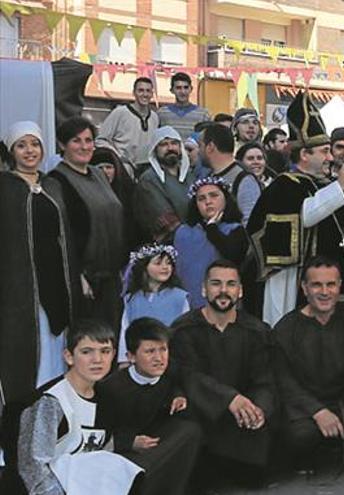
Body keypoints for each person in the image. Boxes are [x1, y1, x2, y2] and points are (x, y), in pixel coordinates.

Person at [0, 122, 78, 494]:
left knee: (52, 371)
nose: (30, 151)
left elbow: (67, 242)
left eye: (35, 144)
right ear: (12, 151)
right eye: (22, 146)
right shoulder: (4, 190)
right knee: (22, 373)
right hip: (19, 297)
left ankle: (49, 446)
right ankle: (16, 455)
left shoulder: (54, 187)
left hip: (55, 296)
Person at [248, 91, 344, 326]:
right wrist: (340, 186)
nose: (330, 157)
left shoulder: (318, 184)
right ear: (304, 154)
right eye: (324, 151)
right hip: (291, 284)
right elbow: (307, 215)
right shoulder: (284, 185)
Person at [273, 256, 344, 474]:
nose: (324, 292)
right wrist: (317, 411)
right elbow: (284, 382)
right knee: (301, 437)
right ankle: (312, 455)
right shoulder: (286, 329)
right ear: (304, 288)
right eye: (317, 285)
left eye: (330, 284)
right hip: (307, 407)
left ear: (339, 286)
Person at [171, 260, 275, 488]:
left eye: (231, 284)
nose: (223, 291)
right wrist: (229, 399)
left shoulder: (256, 331)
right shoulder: (184, 329)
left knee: (254, 477)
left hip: (242, 417)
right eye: (216, 284)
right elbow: (188, 376)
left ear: (240, 291)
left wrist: (258, 409)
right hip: (204, 413)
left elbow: (265, 379)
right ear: (204, 289)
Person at [17, 320, 143, 495]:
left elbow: (100, 454)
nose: (97, 360)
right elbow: (32, 465)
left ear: (114, 354)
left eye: (105, 351)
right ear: (69, 356)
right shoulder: (51, 401)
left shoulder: (107, 399)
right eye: (86, 352)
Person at [98, 318, 201, 495]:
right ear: (131, 356)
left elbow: (176, 386)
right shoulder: (110, 388)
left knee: (191, 430)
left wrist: (178, 396)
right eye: (150, 351)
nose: (159, 358)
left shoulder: (171, 373)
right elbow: (98, 432)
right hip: (125, 452)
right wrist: (128, 442)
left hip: (159, 443)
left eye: (163, 349)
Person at [50, 117, 127, 329]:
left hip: (111, 277)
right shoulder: (56, 181)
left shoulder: (97, 174)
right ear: (62, 144)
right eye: (76, 141)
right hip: (85, 281)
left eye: (88, 140)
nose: (84, 146)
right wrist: (78, 275)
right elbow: (61, 234)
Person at [173, 177, 249, 309]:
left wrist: (212, 228)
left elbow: (234, 256)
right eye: (201, 199)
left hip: (224, 304)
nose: (208, 202)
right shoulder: (182, 232)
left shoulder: (235, 229)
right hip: (188, 305)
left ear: (225, 199)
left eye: (213, 196)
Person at [118, 243, 190, 363]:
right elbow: (125, 330)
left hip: (171, 358)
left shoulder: (179, 297)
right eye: (158, 263)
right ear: (144, 267)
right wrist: (124, 360)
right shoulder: (132, 299)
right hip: (140, 359)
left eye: (168, 263)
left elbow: (185, 331)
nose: (165, 267)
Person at [134, 126, 196, 243]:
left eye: (174, 143)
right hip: (169, 246)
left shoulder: (190, 177)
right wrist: (194, 238)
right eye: (164, 144)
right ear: (155, 149)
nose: (170, 148)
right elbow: (166, 222)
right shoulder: (149, 180)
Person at [201, 123, 262, 224]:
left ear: (210, 147)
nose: (199, 151)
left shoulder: (244, 180)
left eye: (201, 145)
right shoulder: (208, 178)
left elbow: (251, 223)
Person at [96, 77, 159, 166]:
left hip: (147, 167)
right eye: (140, 90)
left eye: (148, 91)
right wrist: (118, 157)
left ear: (152, 94)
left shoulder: (154, 117)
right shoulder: (120, 113)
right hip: (124, 166)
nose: (145, 94)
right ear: (134, 92)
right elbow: (101, 140)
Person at [157, 72, 211, 139]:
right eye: (178, 88)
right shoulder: (162, 113)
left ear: (191, 89)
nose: (183, 92)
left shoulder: (203, 114)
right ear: (172, 90)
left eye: (186, 87)